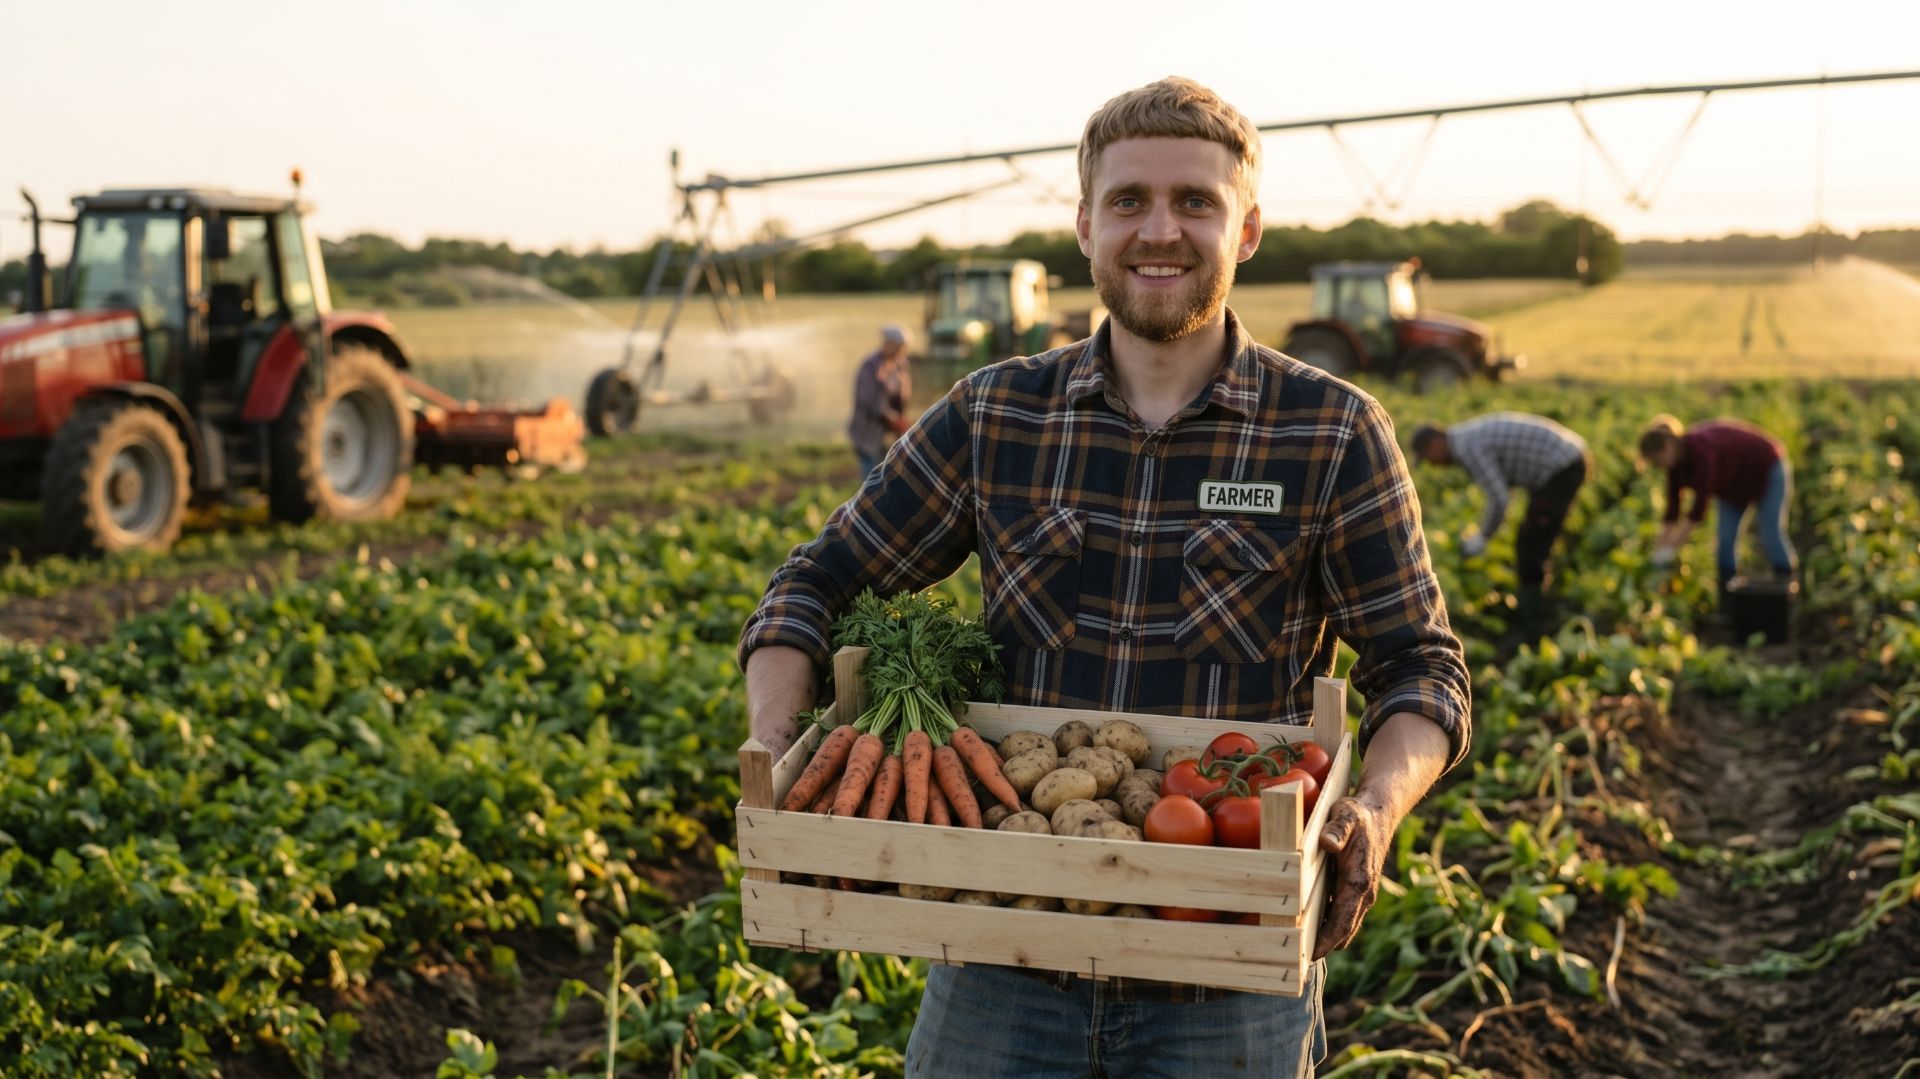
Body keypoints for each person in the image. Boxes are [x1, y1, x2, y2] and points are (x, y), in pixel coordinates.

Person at [739, 77, 1471, 1079]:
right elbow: (812, 584)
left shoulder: (1332, 431)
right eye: (1129, 200)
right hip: (1005, 955)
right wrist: (776, 747)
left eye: (1195, 202)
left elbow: (1423, 668)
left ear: (1246, 229)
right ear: (1085, 225)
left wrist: (1377, 804)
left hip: (1228, 967)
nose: (1158, 231)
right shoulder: (999, 414)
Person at [1410, 413, 1589, 632]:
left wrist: (1482, 537)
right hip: (1563, 460)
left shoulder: (1468, 448)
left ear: (1435, 443)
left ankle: (1534, 625)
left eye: (1429, 458)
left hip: (1562, 464)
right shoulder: (1466, 438)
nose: (1434, 465)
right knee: (1532, 537)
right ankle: (1537, 608)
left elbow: (1499, 498)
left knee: (1531, 544)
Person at [1639, 414, 1797, 595]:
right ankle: (1729, 602)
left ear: (1667, 448)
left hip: (1768, 468)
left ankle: (1789, 590)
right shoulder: (1675, 467)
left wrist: (1672, 548)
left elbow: (1698, 510)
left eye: (1656, 460)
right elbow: (1672, 512)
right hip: (1734, 485)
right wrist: (1660, 549)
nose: (1657, 466)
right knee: (1725, 541)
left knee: (1770, 532)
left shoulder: (1701, 450)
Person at [849, 324, 914, 475]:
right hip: (868, 432)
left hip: (887, 435)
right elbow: (867, 401)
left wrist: (900, 419)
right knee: (871, 478)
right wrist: (890, 417)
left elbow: (903, 394)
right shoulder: (871, 366)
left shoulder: (900, 364)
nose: (901, 352)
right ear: (888, 344)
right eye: (899, 347)